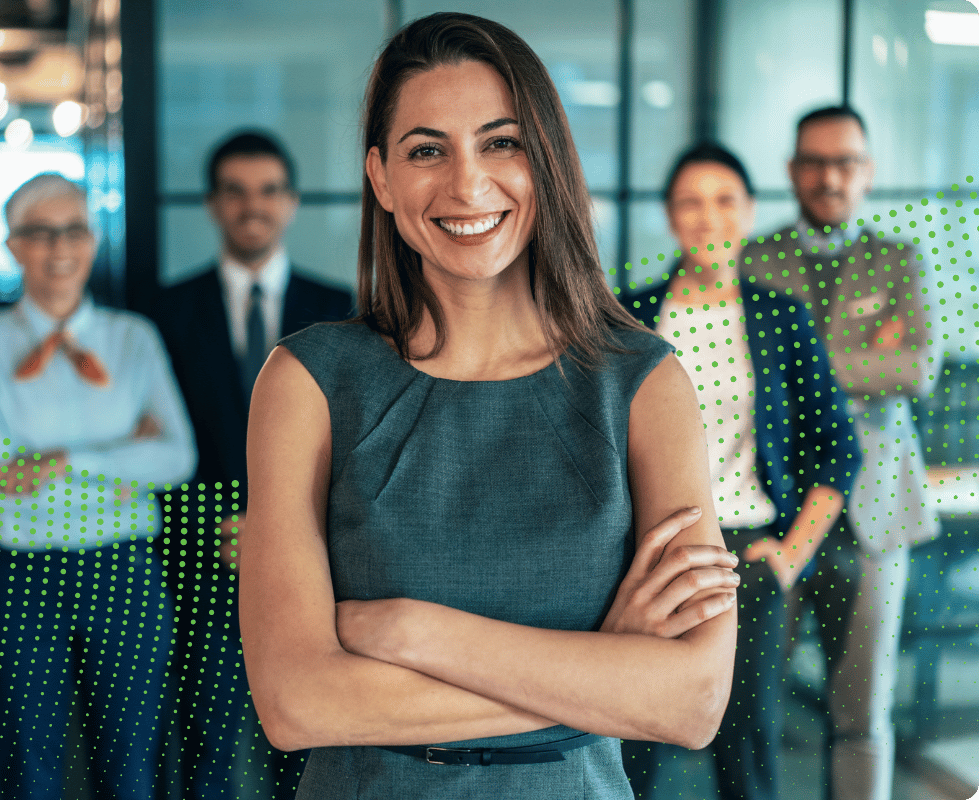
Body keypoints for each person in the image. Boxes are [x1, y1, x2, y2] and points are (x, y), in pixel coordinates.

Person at [239, 13, 741, 800]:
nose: (467, 185)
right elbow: (296, 705)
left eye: (501, 143)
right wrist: (601, 668)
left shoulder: (644, 384)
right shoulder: (305, 382)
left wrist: (408, 631)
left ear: (546, 160)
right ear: (381, 178)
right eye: (426, 151)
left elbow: (693, 702)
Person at [618, 143, 861, 800]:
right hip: (648, 557)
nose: (709, 217)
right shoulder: (629, 316)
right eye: (690, 202)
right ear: (670, 215)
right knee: (633, 747)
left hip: (744, 558)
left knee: (746, 749)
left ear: (750, 211)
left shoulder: (780, 316)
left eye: (725, 200)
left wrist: (790, 556)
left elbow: (838, 447)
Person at [740, 106, 940, 800]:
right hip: (780, 513)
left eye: (846, 162)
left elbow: (916, 367)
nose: (831, 177)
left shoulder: (900, 259)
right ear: (793, 170)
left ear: (868, 171)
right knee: (752, 709)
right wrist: (862, 358)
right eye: (816, 162)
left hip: (875, 517)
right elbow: (748, 373)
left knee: (861, 718)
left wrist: (801, 363)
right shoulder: (755, 259)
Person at [0, 173, 196, 800]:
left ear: (94, 241)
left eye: (73, 230)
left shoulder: (134, 338)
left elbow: (176, 458)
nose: (59, 248)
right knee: (27, 769)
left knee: (132, 769)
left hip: (124, 569)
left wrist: (60, 462)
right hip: (18, 574)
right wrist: (125, 454)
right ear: (13, 246)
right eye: (40, 233)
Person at [150, 130, 353, 798]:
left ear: (291, 202)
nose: (252, 206)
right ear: (212, 204)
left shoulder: (342, 312)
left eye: (268, 190)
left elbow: (354, 445)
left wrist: (278, 530)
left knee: (305, 753)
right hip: (201, 566)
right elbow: (160, 446)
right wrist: (219, 527)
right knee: (206, 750)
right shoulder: (164, 313)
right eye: (235, 192)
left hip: (311, 569)